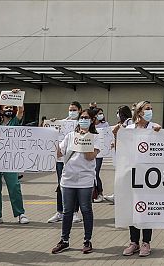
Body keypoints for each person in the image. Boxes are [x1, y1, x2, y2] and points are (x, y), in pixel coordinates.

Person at [113, 101, 162, 256]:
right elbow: (120, 148)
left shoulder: (154, 127)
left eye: (151, 109)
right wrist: (116, 134)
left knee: (146, 207)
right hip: (131, 174)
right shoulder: (130, 129)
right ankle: (133, 242)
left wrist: (160, 134)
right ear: (139, 112)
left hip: (148, 175)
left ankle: (146, 242)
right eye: (147, 109)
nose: (150, 111)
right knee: (132, 208)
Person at [52, 110, 101, 255]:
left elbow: (91, 156)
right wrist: (51, 135)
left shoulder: (95, 137)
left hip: (85, 179)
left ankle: (87, 240)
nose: (83, 120)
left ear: (92, 120)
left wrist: (84, 140)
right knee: (67, 211)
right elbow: (59, 153)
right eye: (81, 118)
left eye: (86, 118)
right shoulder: (69, 136)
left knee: (86, 209)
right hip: (68, 178)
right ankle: (64, 240)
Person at [0, 100, 29, 226]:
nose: (9, 109)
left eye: (11, 107)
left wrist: (17, 97)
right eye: (6, 106)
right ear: (0, 109)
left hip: (10, 159)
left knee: (14, 186)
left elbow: (21, 110)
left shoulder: (14, 121)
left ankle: (20, 213)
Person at [48, 101, 83, 224]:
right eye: (70, 109)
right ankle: (60, 212)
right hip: (61, 159)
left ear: (79, 110)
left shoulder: (83, 124)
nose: (71, 112)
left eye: (74, 109)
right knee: (60, 185)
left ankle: (74, 212)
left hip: (75, 159)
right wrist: (51, 124)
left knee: (75, 185)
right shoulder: (63, 123)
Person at [89, 107, 109, 203]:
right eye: (99, 113)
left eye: (102, 113)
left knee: (96, 172)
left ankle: (100, 193)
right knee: (91, 173)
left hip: (99, 152)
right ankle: (93, 193)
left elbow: (108, 136)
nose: (101, 115)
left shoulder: (105, 124)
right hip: (89, 151)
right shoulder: (90, 124)